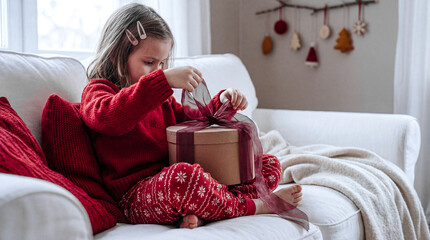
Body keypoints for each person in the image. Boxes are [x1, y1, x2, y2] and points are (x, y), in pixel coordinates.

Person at [81, 3, 302, 229]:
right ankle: (255, 205)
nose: (158, 71)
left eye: (163, 64)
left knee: (266, 164)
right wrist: (162, 81)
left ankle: (208, 208)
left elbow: (191, 120)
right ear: (115, 54)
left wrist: (220, 103)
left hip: (175, 181)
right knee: (185, 177)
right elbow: (109, 118)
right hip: (135, 197)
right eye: (149, 63)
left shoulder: (161, 99)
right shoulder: (99, 91)